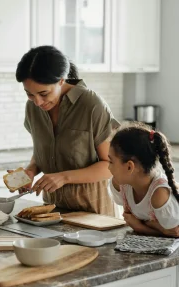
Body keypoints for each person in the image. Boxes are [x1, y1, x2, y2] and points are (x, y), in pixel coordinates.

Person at [14, 45, 119, 216]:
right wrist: (30, 171)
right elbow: (44, 152)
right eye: (30, 94)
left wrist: (64, 177)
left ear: (61, 80)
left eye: (44, 93)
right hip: (52, 211)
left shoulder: (91, 105)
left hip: (93, 211)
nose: (38, 102)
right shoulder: (32, 108)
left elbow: (111, 166)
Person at [109, 122, 179, 237]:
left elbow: (175, 233)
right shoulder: (121, 184)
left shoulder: (159, 194)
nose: (108, 167)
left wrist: (140, 226)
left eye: (111, 161)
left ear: (129, 167)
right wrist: (154, 226)